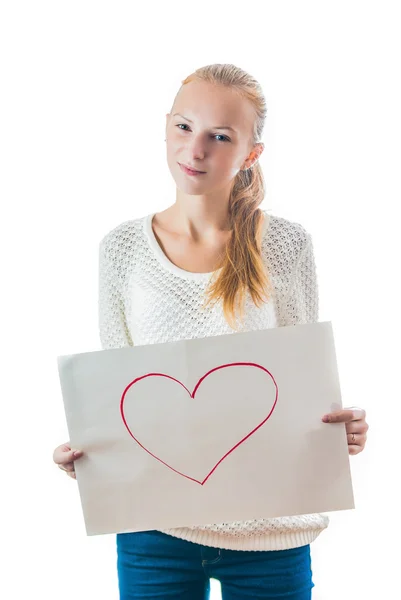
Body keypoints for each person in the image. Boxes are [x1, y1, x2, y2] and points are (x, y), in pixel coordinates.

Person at [53, 63, 369, 599]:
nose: (194, 149)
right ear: (166, 127)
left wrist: (337, 432)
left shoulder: (287, 245)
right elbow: (122, 389)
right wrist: (92, 451)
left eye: (219, 137)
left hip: (273, 530)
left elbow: (299, 379)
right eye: (184, 127)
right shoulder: (122, 249)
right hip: (155, 528)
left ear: (251, 154)